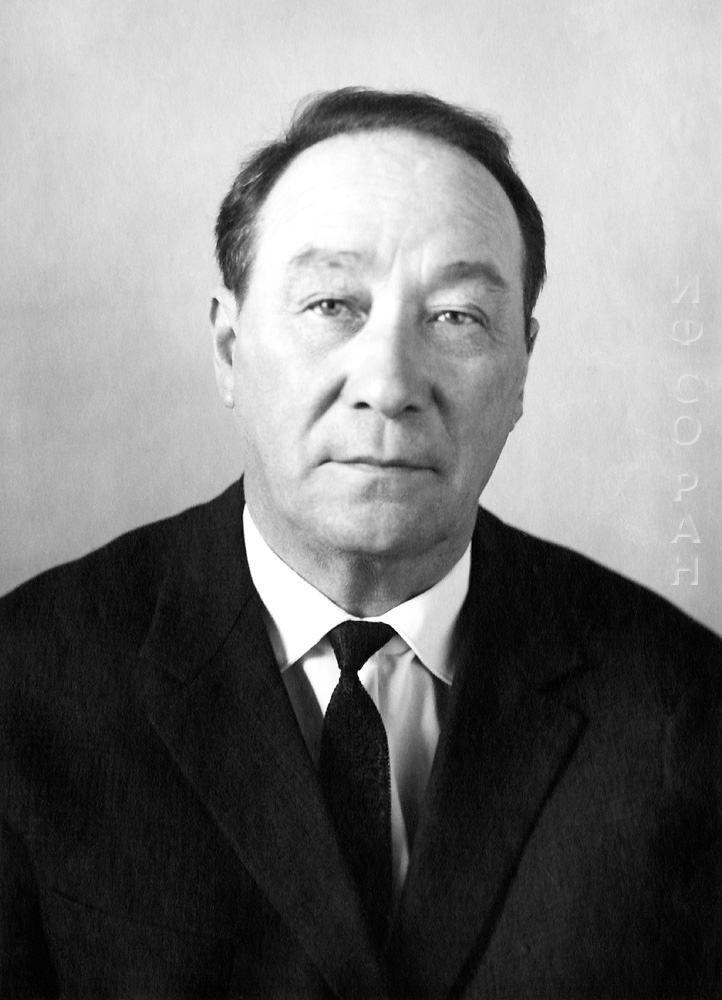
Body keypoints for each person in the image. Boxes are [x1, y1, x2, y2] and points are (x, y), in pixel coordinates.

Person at [1, 87, 720, 1000]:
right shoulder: (26, 678)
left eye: (457, 317)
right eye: (332, 303)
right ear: (228, 348)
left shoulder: (685, 707)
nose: (389, 383)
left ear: (523, 370)